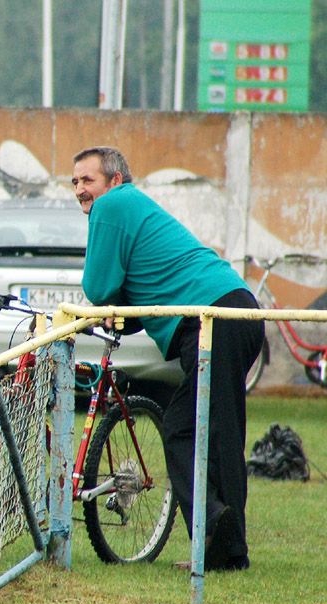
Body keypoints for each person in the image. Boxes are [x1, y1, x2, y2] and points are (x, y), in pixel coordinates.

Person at [73, 146, 264, 571]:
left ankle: (215, 528)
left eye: (88, 180)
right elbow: (144, 296)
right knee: (218, 432)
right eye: (75, 182)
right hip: (235, 312)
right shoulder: (133, 208)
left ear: (115, 180)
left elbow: (99, 286)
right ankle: (227, 549)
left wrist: (110, 305)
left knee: (181, 428)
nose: (80, 190)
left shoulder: (114, 204)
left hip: (215, 319)